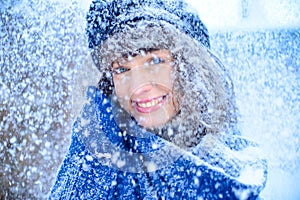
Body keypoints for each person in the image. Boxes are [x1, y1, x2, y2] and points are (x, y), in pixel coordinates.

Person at [49, 0, 267, 199]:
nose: (138, 86)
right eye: (122, 69)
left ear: (189, 68)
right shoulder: (94, 163)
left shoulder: (234, 163)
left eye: (154, 61)